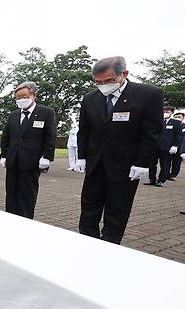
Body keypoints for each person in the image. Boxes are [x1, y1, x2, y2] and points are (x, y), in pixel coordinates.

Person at [75, 56, 162, 244]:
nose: (103, 85)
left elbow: (152, 133)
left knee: (117, 209)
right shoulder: (90, 98)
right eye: (98, 82)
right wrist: (81, 156)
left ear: (124, 74)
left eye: (109, 81)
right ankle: (86, 242)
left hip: (126, 165)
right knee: (89, 206)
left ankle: (109, 245)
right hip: (95, 162)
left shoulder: (148, 95)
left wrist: (142, 162)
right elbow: (84, 131)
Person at [0, 81, 56, 219]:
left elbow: (51, 136)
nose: (21, 100)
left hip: (31, 162)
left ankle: (25, 221)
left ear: (34, 95)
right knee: (11, 194)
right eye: (18, 98)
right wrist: (4, 155)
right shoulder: (13, 115)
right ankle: (11, 219)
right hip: (13, 161)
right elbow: (6, 137)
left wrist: (47, 156)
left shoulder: (46, 113)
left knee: (27, 195)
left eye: (24, 97)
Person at [145, 106, 181, 187]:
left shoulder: (176, 123)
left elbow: (177, 136)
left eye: (167, 111)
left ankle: (162, 180)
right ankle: (152, 180)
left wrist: (175, 146)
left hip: (166, 147)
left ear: (171, 113)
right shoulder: (157, 122)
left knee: (164, 164)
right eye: (164, 111)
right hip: (154, 146)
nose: (165, 113)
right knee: (152, 164)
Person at [169, 111, 184, 179]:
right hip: (171, 145)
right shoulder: (171, 124)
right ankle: (166, 173)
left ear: (183, 118)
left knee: (177, 162)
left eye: (179, 117)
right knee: (167, 161)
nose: (177, 118)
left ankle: (173, 175)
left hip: (180, 146)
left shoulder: (183, 126)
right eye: (176, 117)